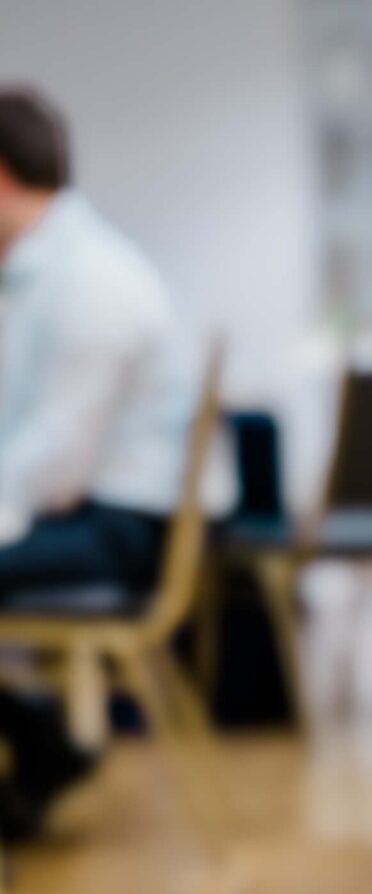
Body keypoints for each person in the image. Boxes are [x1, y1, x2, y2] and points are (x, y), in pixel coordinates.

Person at [0, 85, 195, 834]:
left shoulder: (92, 283)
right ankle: (42, 742)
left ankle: (39, 744)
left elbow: (56, 464)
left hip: (122, 531)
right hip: (93, 509)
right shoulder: (47, 271)